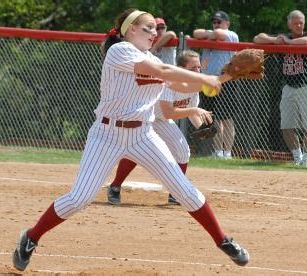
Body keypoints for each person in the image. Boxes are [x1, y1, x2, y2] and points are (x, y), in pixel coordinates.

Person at [12, 9, 249, 271]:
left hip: (142, 135)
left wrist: (224, 76)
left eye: (155, 29)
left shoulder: (149, 56)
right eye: (147, 28)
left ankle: (223, 240)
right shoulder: (120, 51)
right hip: (106, 135)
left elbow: (180, 86)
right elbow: (160, 69)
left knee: (183, 189)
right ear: (130, 31)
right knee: (80, 198)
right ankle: (31, 237)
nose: (154, 33)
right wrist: (203, 77)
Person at [107, 50, 213, 206]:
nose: (197, 71)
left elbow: (191, 112)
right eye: (193, 69)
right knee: (135, 152)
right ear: (181, 69)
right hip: (147, 119)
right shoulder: (170, 84)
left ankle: (176, 193)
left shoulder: (193, 87)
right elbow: (168, 112)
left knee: (183, 151)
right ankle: (115, 186)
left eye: (198, 68)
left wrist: (202, 127)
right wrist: (194, 111)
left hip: (162, 121)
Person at [253, 10, 307, 166]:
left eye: (301, 22)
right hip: (290, 86)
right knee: (286, 125)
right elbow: (257, 38)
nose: (299, 25)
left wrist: (288, 43)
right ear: (289, 24)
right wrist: (276, 40)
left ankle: (305, 160)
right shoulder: (283, 36)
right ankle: (297, 157)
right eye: (295, 23)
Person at [193, 11, 239, 159]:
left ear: (227, 23)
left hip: (225, 81)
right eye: (214, 22)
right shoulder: (210, 35)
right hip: (208, 82)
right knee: (213, 118)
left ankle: (228, 153)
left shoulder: (231, 34)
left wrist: (210, 34)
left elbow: (219, 34)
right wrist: (209, 34)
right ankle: (218, 152)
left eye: (219, 22)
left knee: (226, 119)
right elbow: (196, 32)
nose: (216, 25)